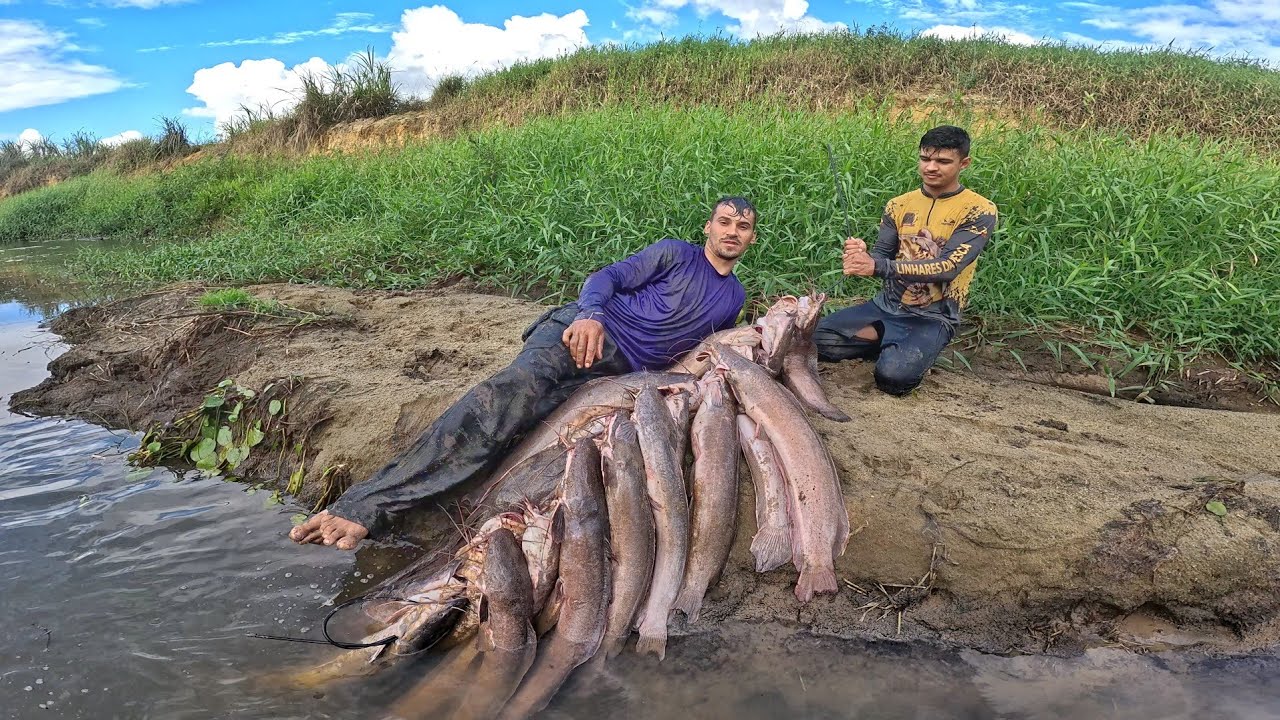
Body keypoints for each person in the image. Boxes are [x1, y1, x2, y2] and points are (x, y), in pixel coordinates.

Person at [290, 197, 758, 550]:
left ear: (751, 238)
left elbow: (698, 352)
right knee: (506, 399)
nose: (732, 231)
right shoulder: (676, 253)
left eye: (743, 226)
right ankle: (366, 505)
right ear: (708, 227)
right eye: (724, 222)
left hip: (615, 379)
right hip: (582, 336)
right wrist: (590, 314)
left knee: (530, 432)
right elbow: (606, 277)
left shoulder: (734, 298)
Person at [814, 125, 997, 395]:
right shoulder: (898, 205)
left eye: (943, 161)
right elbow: (882, 255)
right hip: (886, 306)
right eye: (925, 159)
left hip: (933, 316)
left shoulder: (979, 209)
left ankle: (902, 349)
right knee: (815, 340)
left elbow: (948, 268)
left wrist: (876, 265)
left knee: (893, 380)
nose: (931, 167)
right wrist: (865, 255)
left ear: (964, 163)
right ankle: (887, 339)